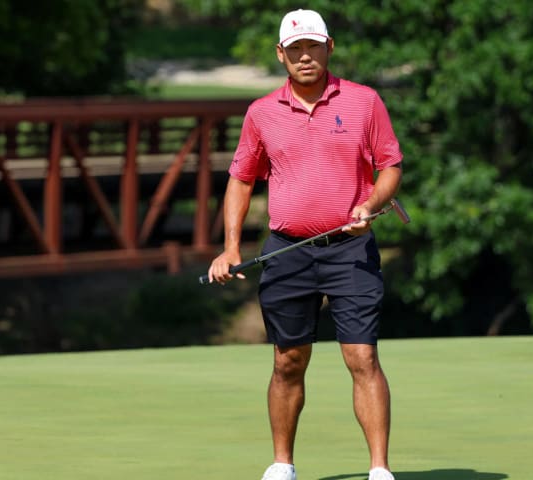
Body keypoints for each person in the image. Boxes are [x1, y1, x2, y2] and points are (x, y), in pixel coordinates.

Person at [207, 8, 402, 480]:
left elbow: (390, 166)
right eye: (295, 50)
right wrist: (231, 247)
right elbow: (240, 180)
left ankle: (379, 470)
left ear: (329, 47)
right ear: (281, 55)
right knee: (287, 361)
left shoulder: (364, 102)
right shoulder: (261, 114)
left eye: (313, 46)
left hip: (351, 249)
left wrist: (370, 203)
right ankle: (283, 464)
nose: (305, 57)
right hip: (287, 249)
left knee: (362, 355)